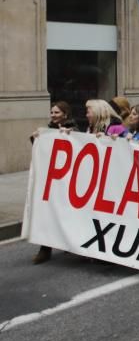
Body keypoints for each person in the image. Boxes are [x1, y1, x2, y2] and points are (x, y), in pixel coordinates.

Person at [31, 101, 78, 264]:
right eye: (52, 112)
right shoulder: (48, 129)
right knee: (48, 211)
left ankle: (69, 241)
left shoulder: (74, 129)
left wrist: (69, 135)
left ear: (65, 115)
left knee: (66, 212)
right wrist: (36, 138)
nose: (53, 115)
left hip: (68, 179)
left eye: (57, 112)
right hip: (52, 178)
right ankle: (45, 249)